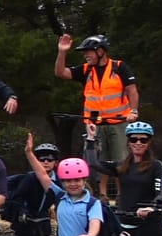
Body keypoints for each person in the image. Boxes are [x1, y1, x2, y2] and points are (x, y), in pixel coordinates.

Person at [54, 34, 139, 178]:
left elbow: (132, 90)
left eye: (89, 51)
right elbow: (60, 72)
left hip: (118, 123)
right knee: (94, 162)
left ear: (100, 51)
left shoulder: (119, 67)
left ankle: (122, 195)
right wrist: (62, 51)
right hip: (94, 125)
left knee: (122, 162)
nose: (86, 55)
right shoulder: (86, 69)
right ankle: (100, 195)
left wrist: (134, 111)